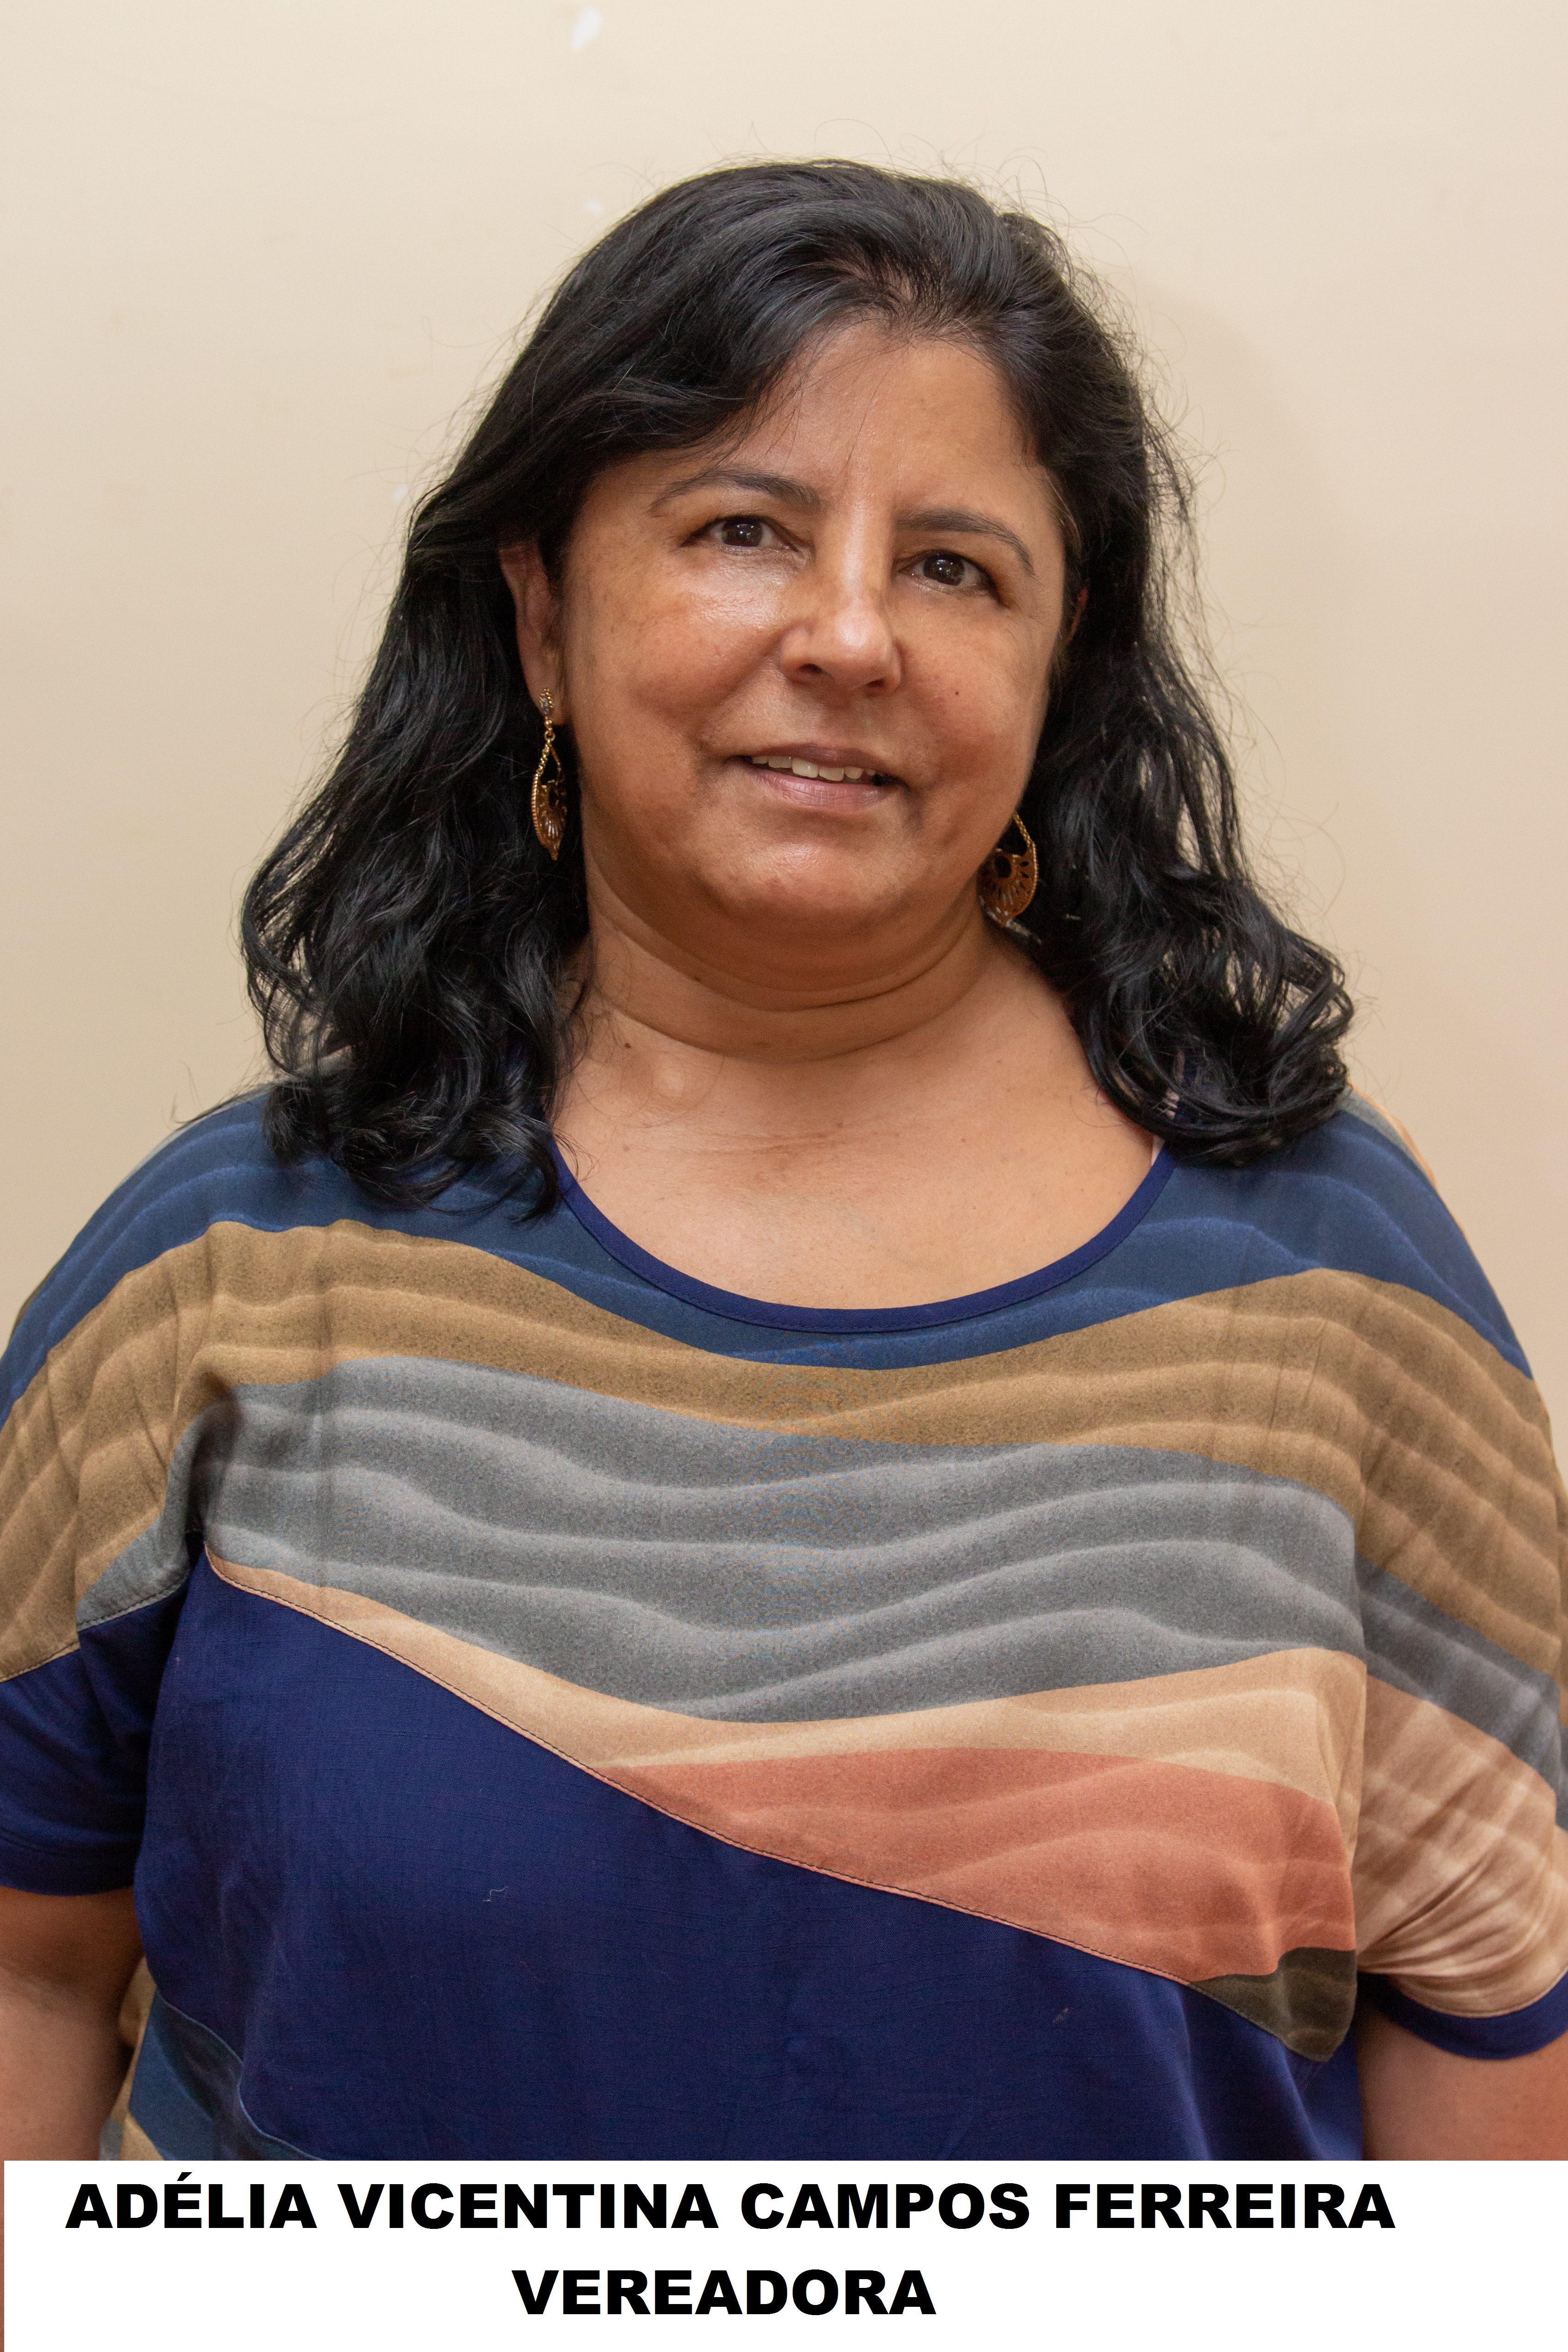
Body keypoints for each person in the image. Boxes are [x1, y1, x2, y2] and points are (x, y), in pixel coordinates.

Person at [1, 160, 1565, 2164]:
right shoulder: (228, 1259)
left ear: (1059, 664)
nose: (847, 635)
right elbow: (33, 1972)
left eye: (954, 568)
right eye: (742, 530)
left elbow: (1492, 2013)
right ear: (542, 616)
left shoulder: (1321, 1270)